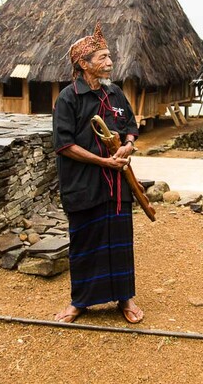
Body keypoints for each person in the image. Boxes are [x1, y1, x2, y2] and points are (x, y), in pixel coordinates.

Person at [52, 22, 144, 324]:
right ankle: (80, 302)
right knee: (85, 241)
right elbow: (64, 145)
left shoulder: (115, 93)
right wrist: (103, 162)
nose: (110, 61)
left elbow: (131, 125)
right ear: (84, 64)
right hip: (83, 184)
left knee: (119, 241)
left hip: (117, 186)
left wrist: (128, 145)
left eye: (109, 56)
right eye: (103, 57)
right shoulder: (68, 98)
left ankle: (125, 298)